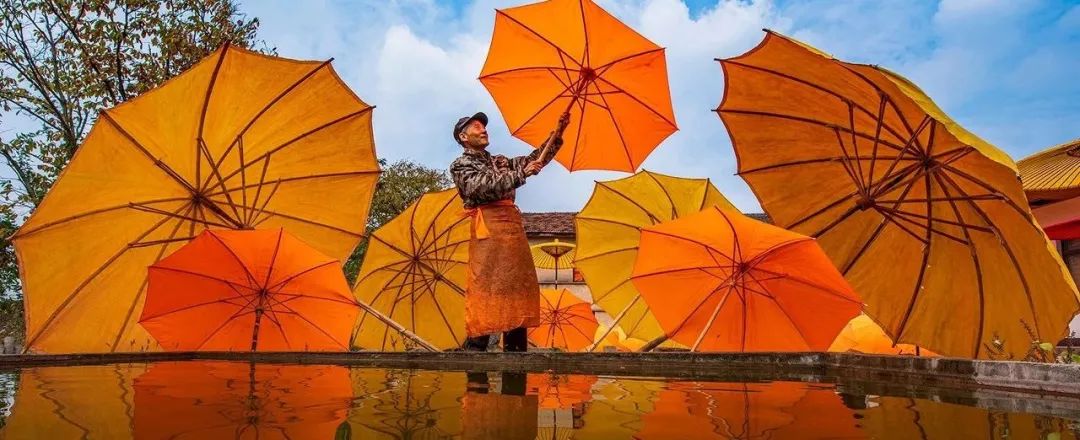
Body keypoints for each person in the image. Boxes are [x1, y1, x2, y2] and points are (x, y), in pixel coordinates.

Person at [450, 111, 571, 352]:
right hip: (488, 232)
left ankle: (516, 352)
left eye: (484, 126)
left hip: (512, 230)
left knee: (518, 289)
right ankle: (476, 352)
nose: (483, 129)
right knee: (486, 288)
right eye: (476, 127)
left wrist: (557, 133)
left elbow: (535, 159)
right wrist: (520, 174)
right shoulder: (461, 165)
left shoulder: (501, 161)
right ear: (464, 137)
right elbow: (479, 189)